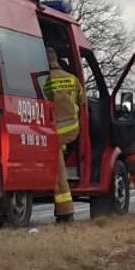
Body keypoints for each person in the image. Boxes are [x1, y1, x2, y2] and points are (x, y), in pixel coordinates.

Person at [43, 46, 84, 222]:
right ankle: (65, 211)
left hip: (51, 133)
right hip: (72, 130)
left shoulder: (44, 81)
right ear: (57, 59)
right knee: (60, 168)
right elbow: (82, 101)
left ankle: (66, 211)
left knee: (60, 173)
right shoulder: (72, 79)